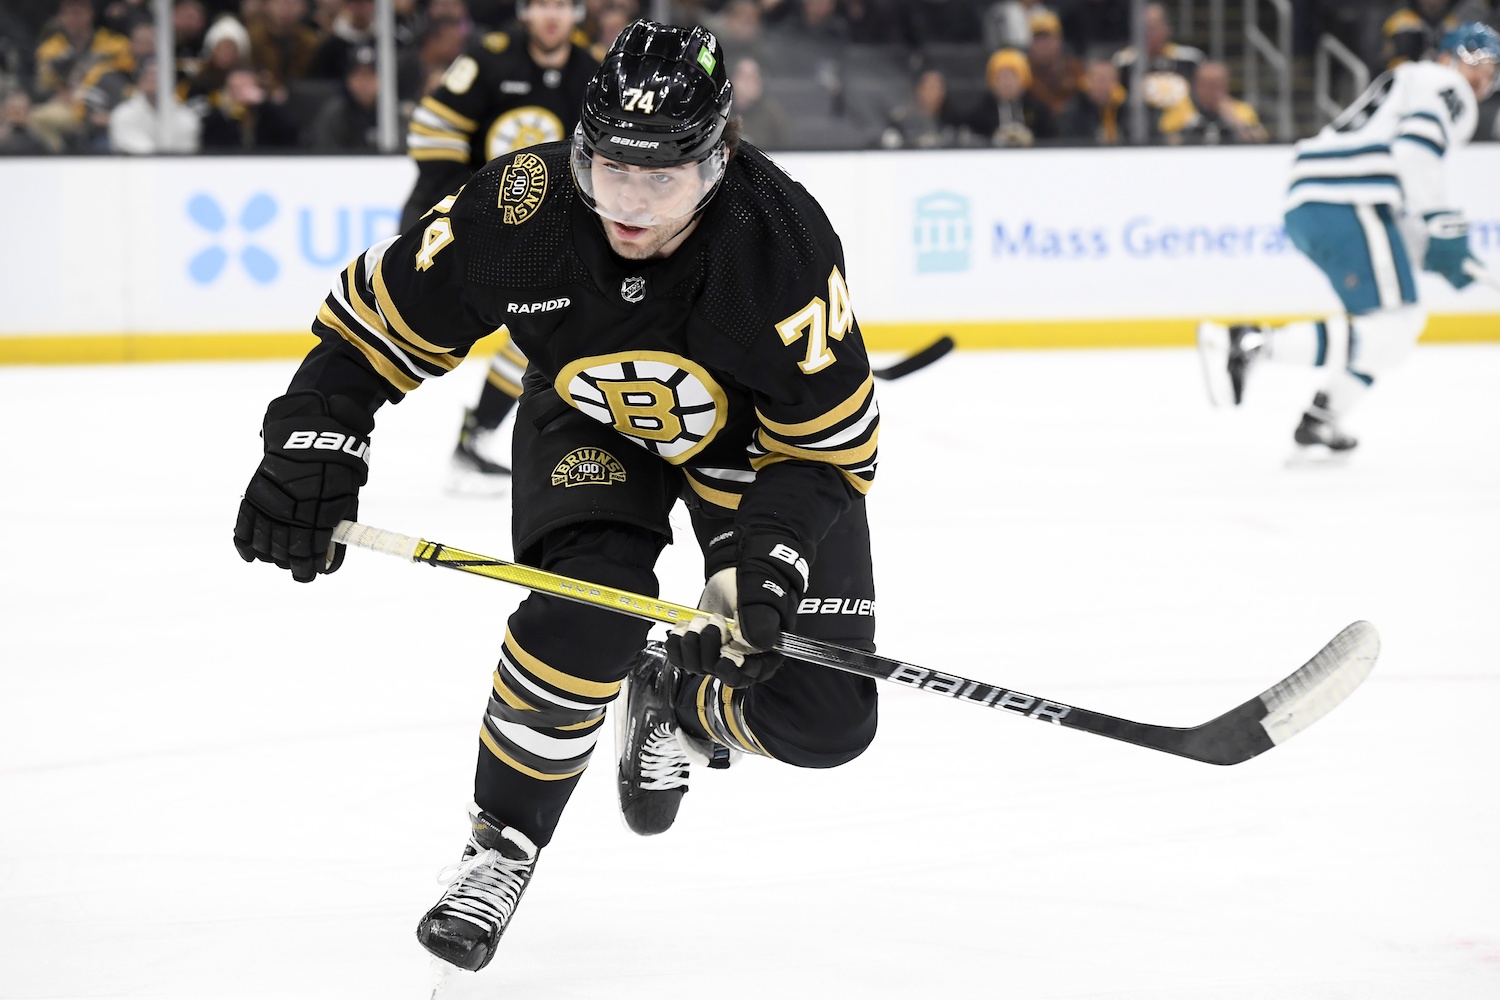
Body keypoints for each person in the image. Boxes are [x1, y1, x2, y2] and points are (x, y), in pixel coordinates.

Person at [233, 18, 880, 976]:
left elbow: (828, 448)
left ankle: (681, 704)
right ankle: (502, 845)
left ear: (719, 159)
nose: (631, 202)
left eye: (663, 177)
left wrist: (764, 563)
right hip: (591, 420)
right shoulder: (522, 209)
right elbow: (373, 329)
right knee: (584, 612)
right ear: (581, 145)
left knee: (826, 719)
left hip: (754, 447)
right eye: (612, 168)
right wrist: (312, 438)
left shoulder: (779, 244)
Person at [1196, 23, 1499, 460]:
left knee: (1395, 326)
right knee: (1392, 326)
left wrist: (1433, 249)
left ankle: (1323, 417)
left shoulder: (1413, 78)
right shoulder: (1446, 85)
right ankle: (1249, 343)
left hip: (1321, 199)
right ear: (1449, 57)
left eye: (1489, 70)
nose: (1480, 77)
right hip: (1348, 198)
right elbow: (1416, 152)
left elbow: (1399, 174)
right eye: (1475, 62)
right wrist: (1441, 225)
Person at [399, 0, 599, 490]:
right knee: (406, 323)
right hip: (464, 219)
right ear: (525, 12)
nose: (552, 15)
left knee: (544, 322)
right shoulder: (489, 58)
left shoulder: (593, 72)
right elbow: (431, 131)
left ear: (575, 14)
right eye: (542, 4)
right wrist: (471, 200)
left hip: (539, 228)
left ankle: (478, 437)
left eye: (562, 5)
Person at [1158, 59, 1267, 145]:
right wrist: (1190, 123)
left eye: (1217, 85)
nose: (1211, 91)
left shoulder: (1241, 109)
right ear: (1196, 85)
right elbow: (1165, 140)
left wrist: (1233, 119)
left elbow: (1259, 138)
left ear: (1226, 85)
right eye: (1206, 85)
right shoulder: (1180, 108)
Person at [107, 52, 202, 151]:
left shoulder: (187, 117)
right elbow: (132, 148)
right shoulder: (123, 114)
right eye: (147, 74)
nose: (151, 78)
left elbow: (186, 152)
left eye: (156, 75)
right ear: (139, 80)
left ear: (169, 81)